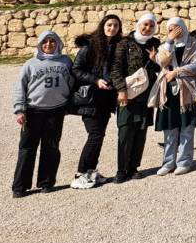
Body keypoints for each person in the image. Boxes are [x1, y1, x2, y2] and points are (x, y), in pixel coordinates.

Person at [11, 31, 73, 197]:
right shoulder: (30, 64)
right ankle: (20, 186)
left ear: (58, 43)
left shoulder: (66, 62)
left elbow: (72, 81)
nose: (48, 45)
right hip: (33, 111)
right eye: (45, 42)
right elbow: (20, 87)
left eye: (52, 41)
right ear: (39, 44)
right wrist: (20, 110)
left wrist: (69, 103)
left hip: (56, 110)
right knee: (27, 148)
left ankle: (46, 182)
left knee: (51, 147)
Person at [70, 14, 122, 189]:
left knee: (99, 135)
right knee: (95, 135)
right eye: (109, 25)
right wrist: (95, 80)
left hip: (106, 98)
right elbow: (76, 69)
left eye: (115, 25)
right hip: (91, 98)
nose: (112, 28)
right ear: (103, 26)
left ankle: (90, 172)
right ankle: (80, 174)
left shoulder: (117, 46)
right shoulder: (90, 45)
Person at [148, 17, 196, 176]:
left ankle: (184, 162)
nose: (174, 31)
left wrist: (176, 72)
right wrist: (169, 41)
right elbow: (162, 62)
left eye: (176, 28)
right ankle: (168, 162)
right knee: (170, 128)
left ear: (183, 27)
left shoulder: (194, 43)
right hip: (168, 92)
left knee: (186, 127)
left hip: (186, 90)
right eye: (170, 29)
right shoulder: (165, 45)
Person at [111, 12, 160, 183]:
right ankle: (121, 169)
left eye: (151, 25)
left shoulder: (155, 43)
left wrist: (154, 60)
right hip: (129, 94)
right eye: (145, 24)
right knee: (125, 131)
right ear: (139, 24)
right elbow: (116, 68)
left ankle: (133, 167)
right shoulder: (125, 43)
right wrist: (121, 89)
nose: (148, 28)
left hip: (146, 95)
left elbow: (158, 68)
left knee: (141, 131)